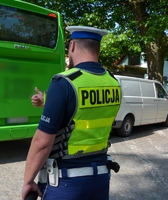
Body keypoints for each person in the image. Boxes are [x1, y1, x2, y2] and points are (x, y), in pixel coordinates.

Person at [22, 26, 121, 200]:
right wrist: (47, 101)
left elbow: (42, 143)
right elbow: (89, 111)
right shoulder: (113, 83)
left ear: (73, 46)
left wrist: (28, 181)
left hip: (66, 184)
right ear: (97, 49)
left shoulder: (64, 82)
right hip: (101, 180)